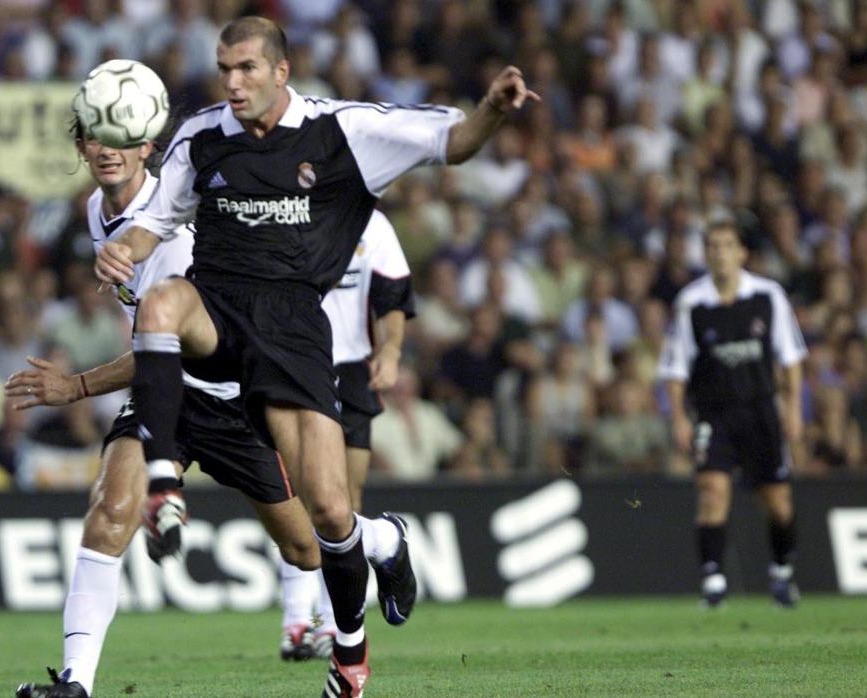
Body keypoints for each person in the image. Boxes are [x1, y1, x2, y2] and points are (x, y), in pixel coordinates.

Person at [94, 17, 536, 696]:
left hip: (293, 330)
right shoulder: (201, 136)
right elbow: (157, 223)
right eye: (223, 69)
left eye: (245, 69)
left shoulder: (344, 131)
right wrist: (125, 249)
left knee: (329, 512)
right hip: (215, 309)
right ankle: (163, 481)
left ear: (280, 70)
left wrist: (491, 112)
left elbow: (452, 142)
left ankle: (355, 644)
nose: (232, 83)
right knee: (159, 308)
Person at [9, 107, 320, 698]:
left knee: (305, 544)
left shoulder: (171, 230)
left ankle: (380, 542)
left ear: (149, 146)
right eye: (95, 138)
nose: (107, 150)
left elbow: (167, 345)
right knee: (108, 516)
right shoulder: (96, 213)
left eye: (122, 139)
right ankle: (76, 683)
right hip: (164, 397)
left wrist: (75, 387)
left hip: (229, 398)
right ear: (81, 146)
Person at [276, 209, 414, 662]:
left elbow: (392, 297)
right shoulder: (275, 212)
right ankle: (300, 623)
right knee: (295, 493)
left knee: (345, 500)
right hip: (293, 367)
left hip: (351, 368)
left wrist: (390, 350)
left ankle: (334, 623)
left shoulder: (370, 223)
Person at [658, 220, 806, 609]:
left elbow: (790, 360)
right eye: (712, 245)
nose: (719, 252)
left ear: (742, 253)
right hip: (713, 412)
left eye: (727, 244)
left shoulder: (767, 296)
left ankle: (781, 571)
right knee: (712, 491)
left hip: (760, 410)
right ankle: (712, 579)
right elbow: (675, 369)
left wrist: (792, 409)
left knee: (777, 501)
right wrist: (678, 417)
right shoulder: (691, 303)